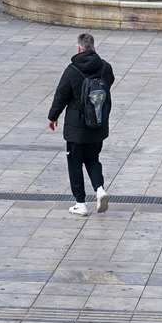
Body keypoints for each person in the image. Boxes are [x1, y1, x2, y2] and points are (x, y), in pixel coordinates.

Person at [47, 32, 116, 217]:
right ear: (94, 47)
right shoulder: (105, 68)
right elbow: (108, 84)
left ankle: (80, 203)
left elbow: (61, 96)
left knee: (75, 163)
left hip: (76, 128)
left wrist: (53, 117)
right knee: (93, 159)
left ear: (79, 48)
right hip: (98, 124)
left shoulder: (71, 70)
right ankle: (100, 189)